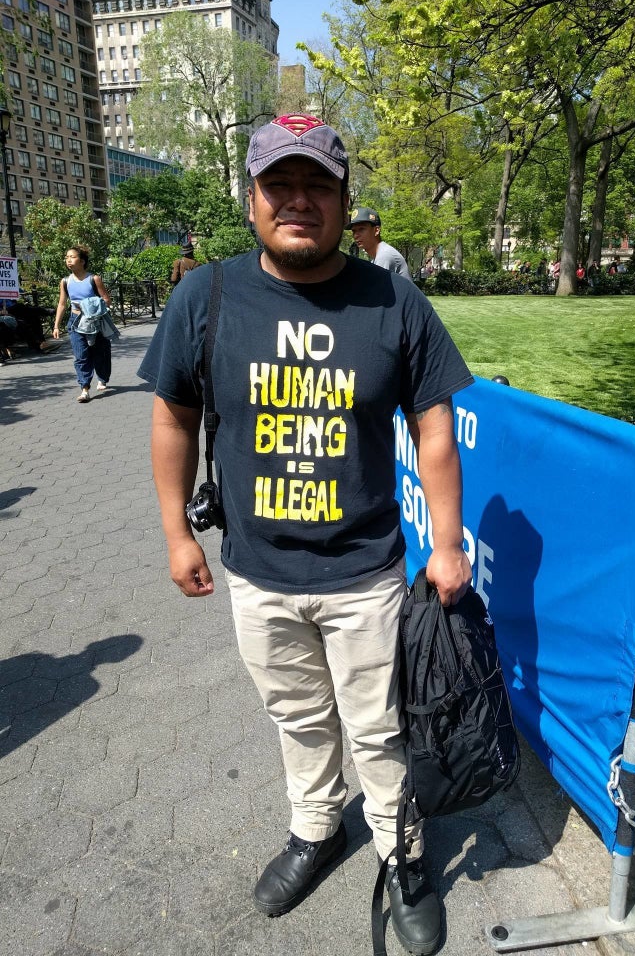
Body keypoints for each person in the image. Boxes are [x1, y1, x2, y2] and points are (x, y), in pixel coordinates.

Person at [138, 112, 473, 956]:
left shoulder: (392, 298)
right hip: (258, 572)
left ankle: (402, 855)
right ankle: (317, 829)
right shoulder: (204, 295)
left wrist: (447, 540)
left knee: (379, 727)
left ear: (343, 200)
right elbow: (173, 416)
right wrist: (176, 533)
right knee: (297, 717)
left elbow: (435, 422)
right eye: (279, 185)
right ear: (251, 198)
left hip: (366, 572)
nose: (298, 201)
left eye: (316, 186)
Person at [53, 246, 113, 403]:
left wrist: (90, 304)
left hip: (95, 321)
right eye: (67, 257)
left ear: (82, 261)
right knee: (81, 356)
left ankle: (103, 377)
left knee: (100, 352)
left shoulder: (94, 279)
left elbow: (106, 300)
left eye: (72, 257)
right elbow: (62, 304)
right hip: (75, 322)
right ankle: (84, 389)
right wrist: (56, 326)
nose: (68, 260)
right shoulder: (65, 281)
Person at [346, 206, 413, 281]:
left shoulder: (384, 255)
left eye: (361, 229)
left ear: (376, 230)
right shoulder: (377, 256)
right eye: (354, 231)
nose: (356, 235)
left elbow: (376, 290)